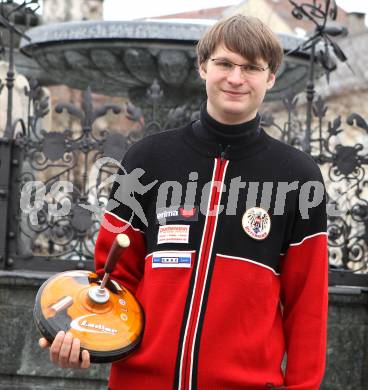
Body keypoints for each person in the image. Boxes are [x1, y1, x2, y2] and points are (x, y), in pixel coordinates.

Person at [40, 14, 328, 390]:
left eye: (251, 68)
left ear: (270, 77)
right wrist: (81, 337)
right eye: (224, 63)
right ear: (203, 67)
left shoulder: (298, 175)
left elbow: (308, 305)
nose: (236, 78)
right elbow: (112, 277)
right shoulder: (146, 159)